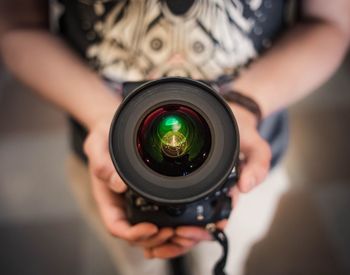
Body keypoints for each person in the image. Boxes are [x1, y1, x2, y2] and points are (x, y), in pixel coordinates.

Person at [1, 0, 349, 274]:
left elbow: (330, 22)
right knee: (138, 264)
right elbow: (18, 26)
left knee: (226, 254)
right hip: (107, 153)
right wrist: (104, 119)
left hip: (244, 151)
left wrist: (244, 105)